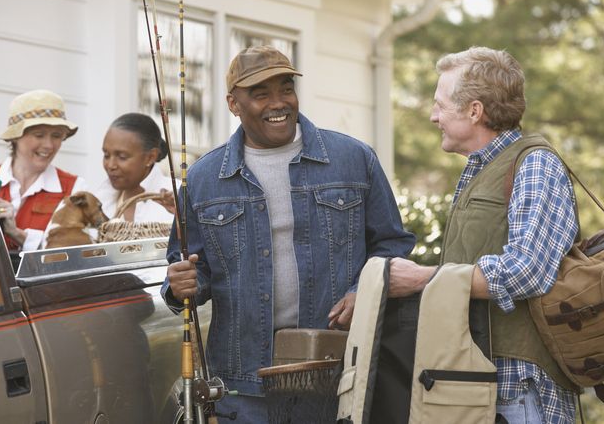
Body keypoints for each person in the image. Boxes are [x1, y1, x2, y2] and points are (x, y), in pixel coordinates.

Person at [162, 45, 415, 422]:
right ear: (233, 103)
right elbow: (188, 273)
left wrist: (362, 292)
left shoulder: (353, 159)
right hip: (243, 382)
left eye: (285, 88)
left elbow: (393, 243)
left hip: (334, 369)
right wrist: (180, 284)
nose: (278, 102)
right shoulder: (203, 180)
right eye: (260, 94)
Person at [388, 47, 579, 423]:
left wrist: (421, 278)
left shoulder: (535, 163)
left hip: (522, 393)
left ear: (475, 111)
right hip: (478, 385)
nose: (433, 116)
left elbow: (526, 270)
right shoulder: (481, 168)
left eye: (440, 105)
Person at [0, 89, 85, 252]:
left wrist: (16, 233)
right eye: (39, 135)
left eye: (56, 136)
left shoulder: (74, 189)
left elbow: (72, 251)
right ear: (15, 136)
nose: (49, 145)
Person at [95, 112, 175, 223]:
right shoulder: (100, 198)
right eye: (106, 155)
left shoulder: (179, 196)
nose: (110, 165)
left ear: (150, 157)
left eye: (122, 157)